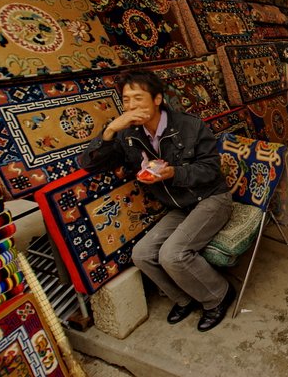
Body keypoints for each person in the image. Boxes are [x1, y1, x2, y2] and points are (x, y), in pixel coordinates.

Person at [79, 70, 236, 332]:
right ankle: (184, 298)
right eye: (126, 100)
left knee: (173, 254)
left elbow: (210, 170)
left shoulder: (190, 126)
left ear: (157, 99)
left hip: (211, 198)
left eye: (138, 98)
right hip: (179, 206)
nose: (131, 106)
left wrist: (174, 172)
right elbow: (89, 163)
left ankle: (218, 295)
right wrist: (110, 130)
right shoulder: (127, 134)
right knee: (141, 255)